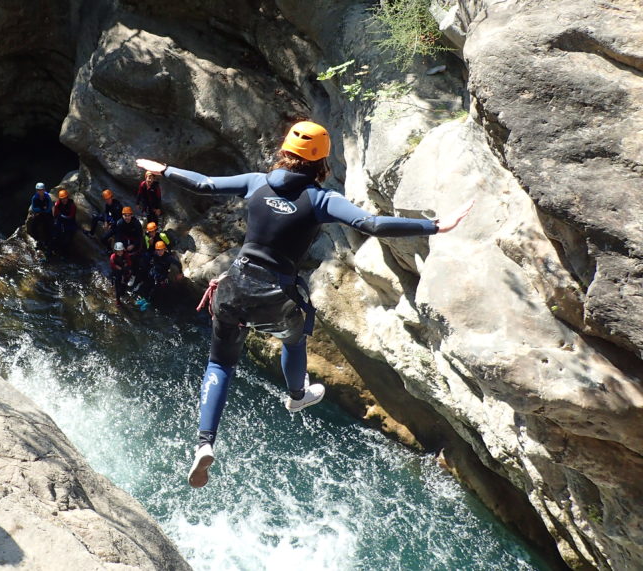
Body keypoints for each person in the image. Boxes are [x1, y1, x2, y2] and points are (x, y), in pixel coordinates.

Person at [136, 120, 473, 488]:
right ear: (321, 162)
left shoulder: (256, 182)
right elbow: (372, 224)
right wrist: (434, 226)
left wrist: (166, 170)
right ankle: (296, 395)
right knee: (293, 339)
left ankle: (204, 443)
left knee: (220, 363)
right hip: (275, 294)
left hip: (234, 287)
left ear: (285, 151)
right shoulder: (319, 199)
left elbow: (204, 184)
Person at [27, 182, 53, 250]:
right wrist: (42, 209)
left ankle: (48, 242)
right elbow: (34, 208)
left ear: (44, 190)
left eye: (41, 190)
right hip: (40, 213)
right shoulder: (35, 198)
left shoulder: (47, 197)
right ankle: (38, 240)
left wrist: (42, 210)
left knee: (48, 226)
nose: (40, 191)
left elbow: (49, 207)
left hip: (46, 214)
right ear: (36, 191)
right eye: (39, 190)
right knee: (33, 227)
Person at [51, 188, 77, 254]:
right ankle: (54, 249)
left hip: (69, 221)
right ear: (60, 199)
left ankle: (64, 252)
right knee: (55, 234)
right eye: (62, 198)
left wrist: (61, 215)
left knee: (67, 238)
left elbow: (71, 216)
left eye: (65, 198)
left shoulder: (72, 205)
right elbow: (55, 214)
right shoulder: (57, 204)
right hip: (61, 220)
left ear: (67, 198)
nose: (64, 200)